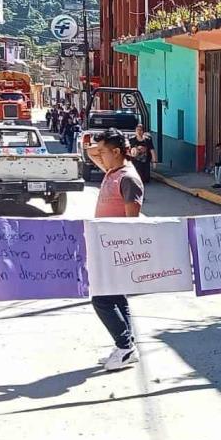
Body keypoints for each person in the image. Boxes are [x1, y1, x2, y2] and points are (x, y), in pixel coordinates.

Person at [86, 128, 144, 372]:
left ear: (117, 152)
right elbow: (90, 153)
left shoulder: (127, 178)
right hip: (104, 247)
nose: (99, 156)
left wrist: (121, 254)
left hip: (116, 250)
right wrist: (98, 144)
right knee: (118, 298)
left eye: (104, 152)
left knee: (101, 300)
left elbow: (132, 221)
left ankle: (124, 346)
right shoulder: (112, 171)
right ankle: (127, 346)